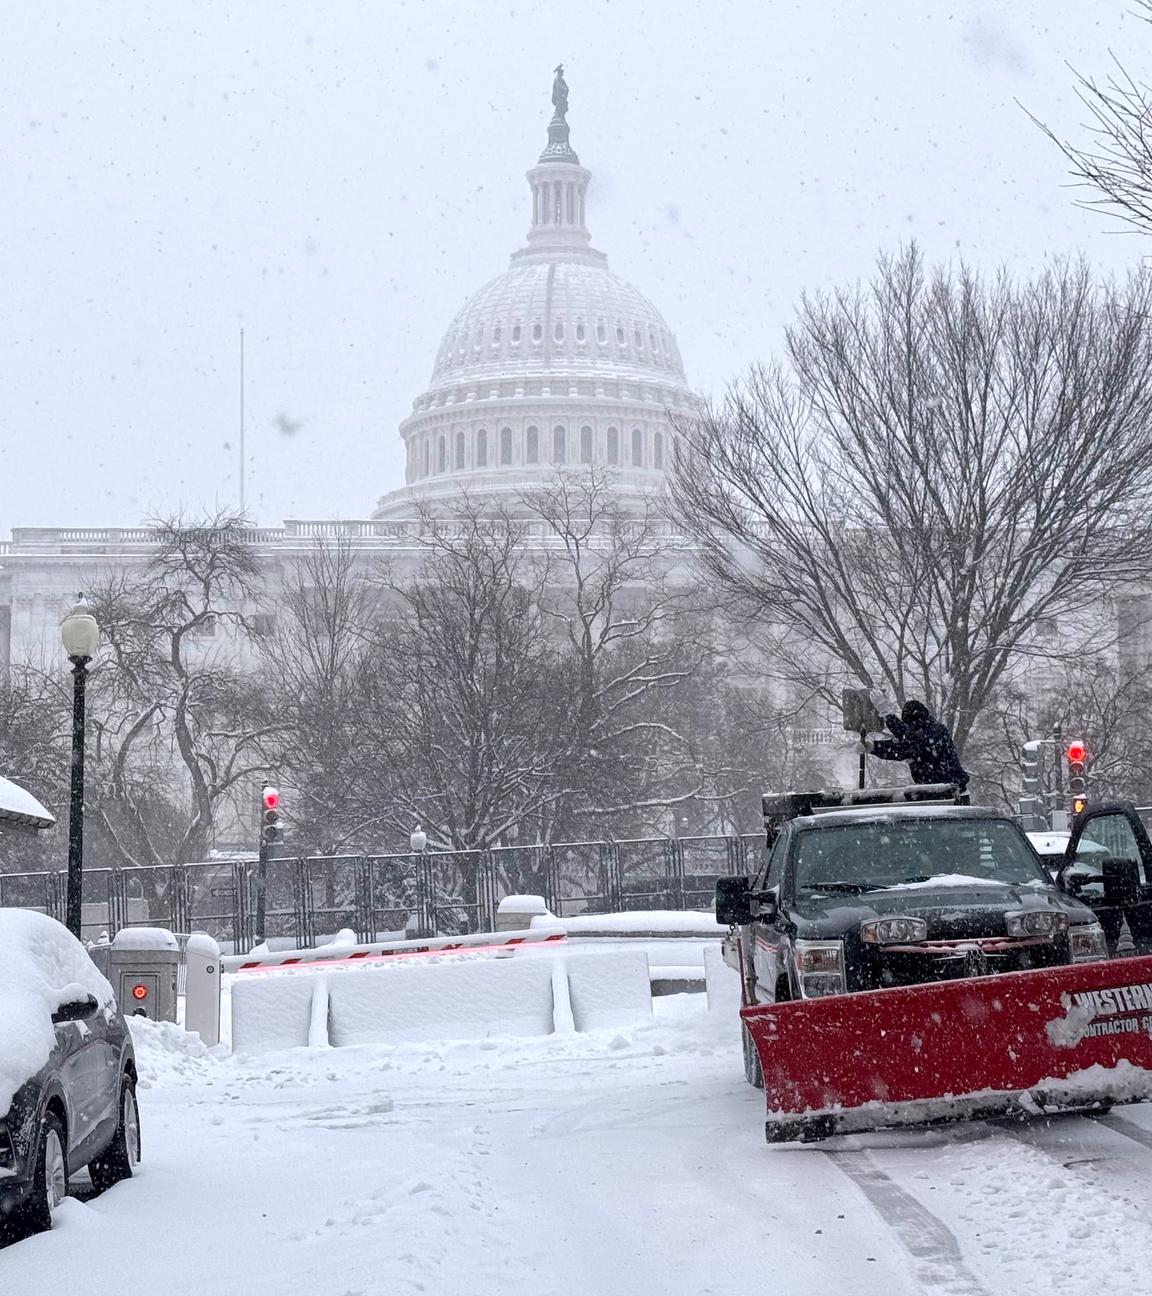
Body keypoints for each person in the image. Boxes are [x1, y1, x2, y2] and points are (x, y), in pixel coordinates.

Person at [865, 700, 970, 795]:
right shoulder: (927, 732)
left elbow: (907, 747)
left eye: (910, 725)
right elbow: (908, 737)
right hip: (937, 792)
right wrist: (887, 715)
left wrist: (874, 747)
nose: (909, 729)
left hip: (953, 794)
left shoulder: (936, 734)